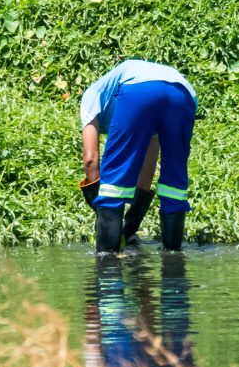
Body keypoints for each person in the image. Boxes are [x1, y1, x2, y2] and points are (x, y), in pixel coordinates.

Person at [79, 59, 197, 253]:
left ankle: (107, 263)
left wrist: (102, 211)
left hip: (139, 89)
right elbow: (150, 154)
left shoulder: (91, 96)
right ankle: (173, 259)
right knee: (175, 183)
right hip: (184, 93)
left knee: (112, 188)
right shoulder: (118, 96)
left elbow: (90, 159)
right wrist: (133, 218)